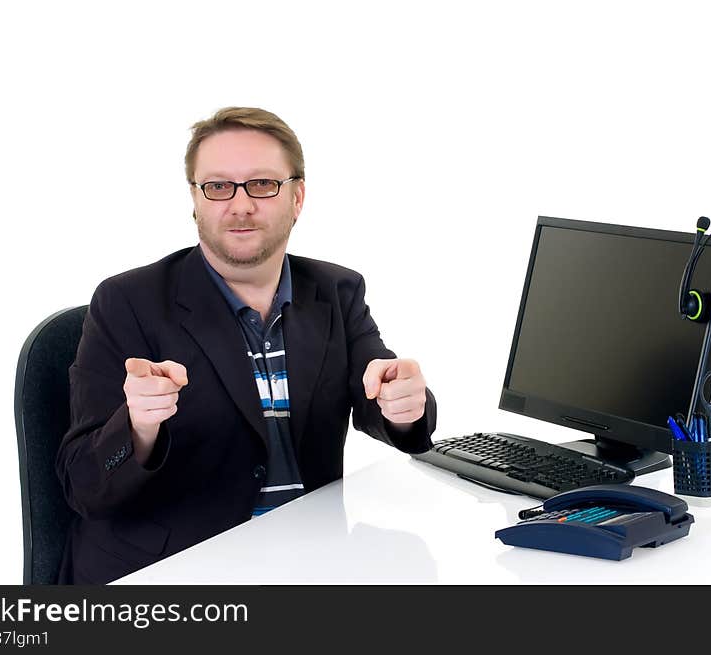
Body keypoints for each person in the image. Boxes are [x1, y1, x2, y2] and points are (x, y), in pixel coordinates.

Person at [55, 107, 437, 584]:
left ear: (297, 197)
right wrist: (137, 427)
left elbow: (380, 389)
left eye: (262, 184)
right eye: (217, 187)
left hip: (309, 561)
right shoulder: (127, 302)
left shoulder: (336, 291)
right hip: (173, 572)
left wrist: (403, 405)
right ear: (195, 200)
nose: (240, 205)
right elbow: (84, 485)